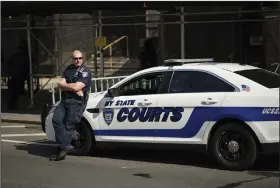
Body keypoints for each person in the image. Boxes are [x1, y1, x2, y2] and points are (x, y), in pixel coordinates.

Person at [50, 50, 92, 161]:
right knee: (56, 120)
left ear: (82, 58)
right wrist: (71, 87)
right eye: (75, 58)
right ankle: (65, 146)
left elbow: (76, 87)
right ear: (72, 59)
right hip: (65, 100)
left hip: (76, 102)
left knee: (69, 125)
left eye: (80, 58)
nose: (78, 60)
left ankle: (61, 150)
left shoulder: (85, 72)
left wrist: (68, 86)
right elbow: (60, 84)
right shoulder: (68, 69)